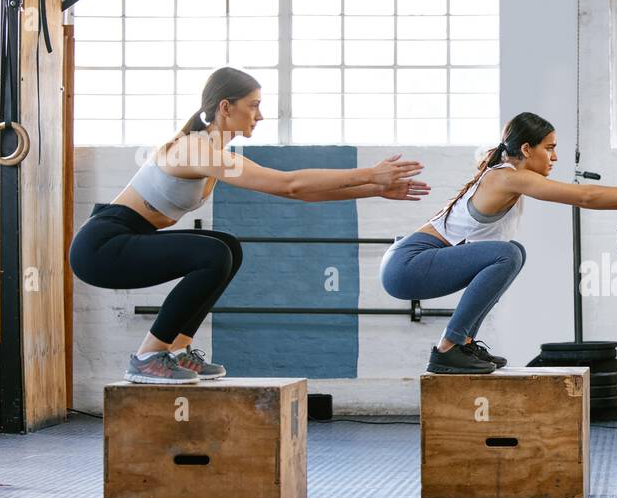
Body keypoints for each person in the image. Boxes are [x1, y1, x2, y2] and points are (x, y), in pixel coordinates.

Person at [69, 67, 427, 385]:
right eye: (253, 105)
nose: (261, 114)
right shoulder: (195, 149)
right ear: (226, 107)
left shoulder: (215, 153)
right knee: (211, 253)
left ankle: (177, 350)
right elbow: (289, 183)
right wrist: (368, 173)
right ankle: (148, 357)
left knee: (227, 246)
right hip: (102, 246)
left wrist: (376, 189)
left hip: (125, 240)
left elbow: (300, 194)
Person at [381, 112, 617, 374]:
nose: (554, 157)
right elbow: (584, 196)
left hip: (409, 264)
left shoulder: (503, 175)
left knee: (513, 253)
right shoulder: (508, 178)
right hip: (407, 264)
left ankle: (462, 345)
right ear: (525, 149)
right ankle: (449, 347)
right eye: (549, 148)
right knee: (507, 254)